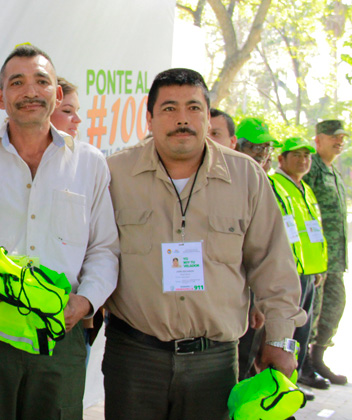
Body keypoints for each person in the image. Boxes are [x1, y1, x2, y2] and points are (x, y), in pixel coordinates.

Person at [0, 44, 119, 420]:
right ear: (1, 98)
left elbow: (104, 249)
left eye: (41, 81)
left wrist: (85, 302)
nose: (30, 91)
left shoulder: (90, 164)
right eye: (17, 82)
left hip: (60, 336)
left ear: (57, 94)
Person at [104, 68, 305, 420]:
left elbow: (272, 263)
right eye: (169, 108)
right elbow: (96, 253)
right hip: (135, 358)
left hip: (214, 363)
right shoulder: (115, 173)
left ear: (207, 115)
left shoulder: (246, 176)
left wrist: (280, 339)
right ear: (149, 118)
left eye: (194, 108)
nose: (182, 119)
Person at [270, 137, 328, 396]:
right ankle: (280, 385)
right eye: (297, 155)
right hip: (288, 273)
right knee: (286, 334)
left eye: (307, 156)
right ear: (281, 159)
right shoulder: (275, 184)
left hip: (308, 273)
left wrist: (318, 267)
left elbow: (310, 232)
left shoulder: (304, 188)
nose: (303, 160)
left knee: (302, 332)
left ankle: (294, 382)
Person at [301, 119, 349, 386]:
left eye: (342, 137)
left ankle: (319, 357)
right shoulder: (312, 169)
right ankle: (305, 364)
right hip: (317, 258)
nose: (339, 141)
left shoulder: (334, 172)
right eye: (334, 137)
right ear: (318, 140)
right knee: (313, 310)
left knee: (334, 306)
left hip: (336, 258)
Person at [233, 117, 276, 381]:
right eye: (256, 147)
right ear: (237, 146)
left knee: (249, 364)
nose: (262, 154)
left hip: (254, 296)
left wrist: (259, 300)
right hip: (231, 299)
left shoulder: (265, 184)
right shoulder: (228, 183)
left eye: (267, 148)